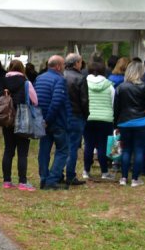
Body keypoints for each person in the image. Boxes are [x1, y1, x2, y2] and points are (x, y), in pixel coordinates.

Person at [114, 60, 145, 187]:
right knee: (139, 150)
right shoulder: (144, 86)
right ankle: (135, 178)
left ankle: (123, 177)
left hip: (125, 122)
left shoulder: (121, 87)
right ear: (140, 72)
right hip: (142, 122)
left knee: (126, 150)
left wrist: (116, 124)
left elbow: (116, 107)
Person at [0, 59, 37, 191]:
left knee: (8, 150)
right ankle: (22, 182)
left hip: (7, 119)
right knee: (22, 152)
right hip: (22, 118)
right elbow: (35, 100)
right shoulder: (26, 82)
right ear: (22, 69)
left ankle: (7, 181)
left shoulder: (2, 81)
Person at [34, 55, 70, 190]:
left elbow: (35, 99)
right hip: (56, 121)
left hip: (42, 119)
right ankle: (52, 178)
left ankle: (43, 177)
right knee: (62, 149)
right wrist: (48, 120)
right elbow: (56, 102)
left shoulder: (39, 78)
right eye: (64, 65)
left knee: (44, 149)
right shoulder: (60, 80)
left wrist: (42, 120)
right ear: (59, 66)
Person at [82, 61, 116, 181]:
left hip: (88, 118)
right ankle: (104, 172)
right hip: (105, 120)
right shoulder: (110, 86)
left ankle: (86, 171)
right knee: (103, 146)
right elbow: (112, 103)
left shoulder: (84, 83)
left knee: (88, 145)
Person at [62, 53, 89, 186]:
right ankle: (70, 175)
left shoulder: (61, 76)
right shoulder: (80, 78)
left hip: (62, 115)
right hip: (76, 115)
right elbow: (84, 100)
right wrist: (86, 115)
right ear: (77, 63)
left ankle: (59, 172)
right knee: (73, 146)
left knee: (62, 146)